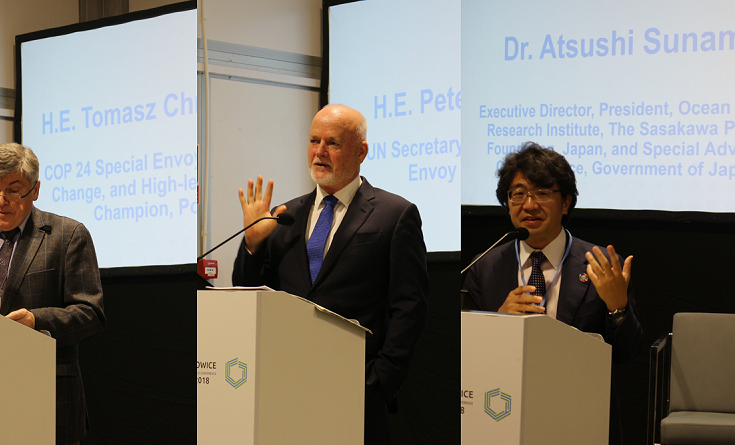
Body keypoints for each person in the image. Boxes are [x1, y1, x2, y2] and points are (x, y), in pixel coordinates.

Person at [232, 104, 429, 445]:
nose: (319, 151)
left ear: (361, 151)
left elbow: (409, 308)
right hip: (287, 389)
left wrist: (378, 382)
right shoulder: (284, 216)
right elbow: (251, 297)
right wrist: (251, 244)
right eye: (313, 140)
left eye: (333, 143)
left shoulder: (395, 215)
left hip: (356, 389)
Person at [462, 142, 643, 445]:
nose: (529, 204)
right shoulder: (485, 265)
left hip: (579, 418)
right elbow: (467, 354)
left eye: (542, 193)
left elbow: (628, 354)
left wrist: (617, 307)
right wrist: (499, 322)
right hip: (502, 413)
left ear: (566, 203)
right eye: (518, 194)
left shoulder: (599, 264)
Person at [0, 143, 105, 445]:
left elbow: (90, 313)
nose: (0, 201)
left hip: (45, 397)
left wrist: (35, 321)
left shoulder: (67, 236)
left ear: (35, 190)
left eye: (14, 190)